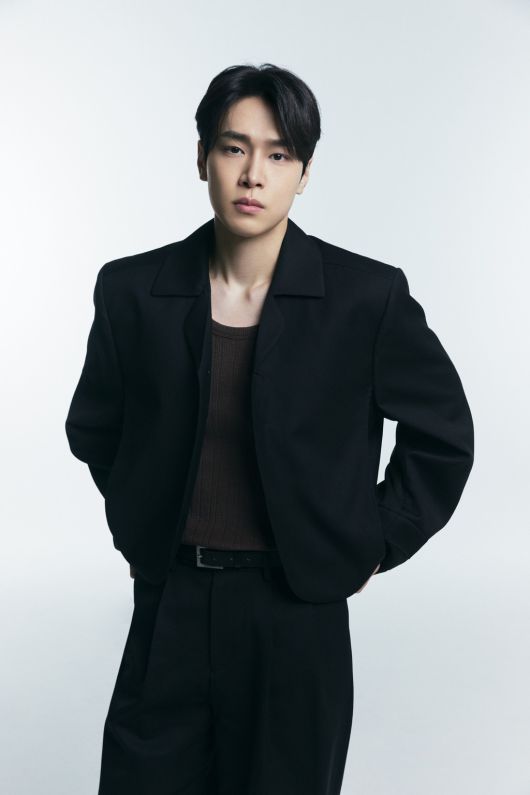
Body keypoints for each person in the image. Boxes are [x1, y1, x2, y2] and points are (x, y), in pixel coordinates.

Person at [65, 62, 474, 795]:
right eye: (234, 147)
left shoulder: (365, 297)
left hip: (297, 614)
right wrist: (145, 520)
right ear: (202, 158)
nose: (253, 173)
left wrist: (372, 541)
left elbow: (444, 434)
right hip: (170, 604)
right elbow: (96, 428)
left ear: (304, 173)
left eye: (279, 154)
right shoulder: (131, 290)